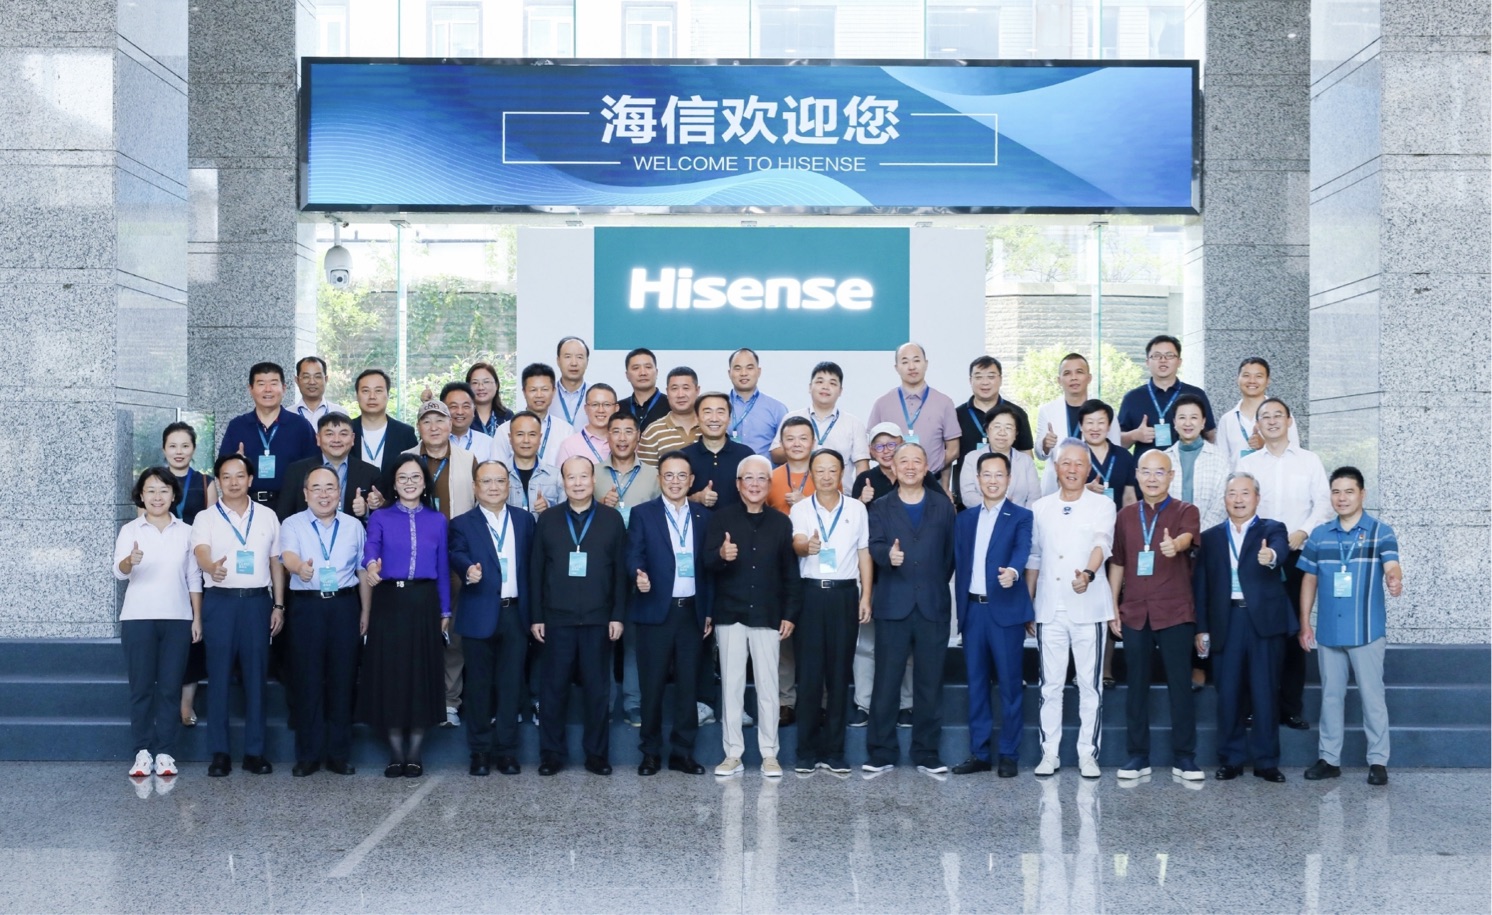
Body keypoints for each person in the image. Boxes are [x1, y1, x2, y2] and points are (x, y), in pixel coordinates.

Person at [1298, 466, 1403, 786]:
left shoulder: (1380, 531)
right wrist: (1305, 623)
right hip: (1329, 631)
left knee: (1372, 697)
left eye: (1349, 491)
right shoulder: (1319, 535)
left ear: (1362, 494)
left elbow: (1392, 564)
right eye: (1336, 492)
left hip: (1366, 630)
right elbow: (1309, 579)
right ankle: (1329, 759)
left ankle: (1378, 761)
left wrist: (1394, 578)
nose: (1342, 498)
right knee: (1331, 697)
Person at [1106, 450, 1205, 782]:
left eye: (1159, 472)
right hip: (1135, 611)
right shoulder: (1125, 516)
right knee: (1136, 686)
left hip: (1175, 610)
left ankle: (1185, 757)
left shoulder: (1186, 510)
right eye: (1146, 472)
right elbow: (1118, 563)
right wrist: (1112, 606)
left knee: (1180, 685)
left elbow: (1187, 537)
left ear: (1171, 476)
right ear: (1136, 474)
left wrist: (1175, 545)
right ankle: (1137, 756)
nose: (1152, 478)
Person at [703, 455, 802, 778]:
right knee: (731, 687)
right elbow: (706, 563)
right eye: (749, 478)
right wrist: (721, 555)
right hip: (729, 613)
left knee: (768, 687)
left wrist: (790, 613)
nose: (755, 484)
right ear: (738, 484)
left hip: (768, 614)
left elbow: (790, 573)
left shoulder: (781, 523)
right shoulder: (721, 518)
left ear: (769, 485)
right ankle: (733, 753)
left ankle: (770, 754)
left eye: (761, 478)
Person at [530, 456, 628, 776]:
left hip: (599, 619)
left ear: (593, 479)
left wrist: (617, 615)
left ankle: (597, 755)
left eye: (583, 476)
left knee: (598, 691)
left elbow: (620, 572)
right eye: (571, 477)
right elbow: (536, 571)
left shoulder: (612, 519)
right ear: (563, 482)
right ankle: (551, 755)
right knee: (553, 690)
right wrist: (537, 616)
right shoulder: (548, 519)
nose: (577, 483)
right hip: (556, 619)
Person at [1237, 397, 1332, 731]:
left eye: (1278, 415)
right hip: (1258, 557)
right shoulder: (1249, 463)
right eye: (1266, 416)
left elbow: (1324, 503)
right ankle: (1253, 706)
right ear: (1258, 425)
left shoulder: (1309, 460)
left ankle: (1290, 707)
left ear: (1290, 421)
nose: (1273, 421)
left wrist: (1303, 530)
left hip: (1296, 554)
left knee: (1293, 630)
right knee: (1256, 631)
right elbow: (1239, 504)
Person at [1194, 471, 1295, 783]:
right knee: (1228, 693)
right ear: (1224, 499)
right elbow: (1201, 585)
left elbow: (1281, 549)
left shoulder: (1272, 529)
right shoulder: (1211, 537)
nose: (1238, 499)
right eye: (1232, 494)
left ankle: (1266, 761)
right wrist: (1202, 628)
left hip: (1263, 621)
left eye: (1245, 493)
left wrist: (1270, 555)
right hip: (1226, 620)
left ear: (1257, 498)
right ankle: (1231, 759)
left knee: (1265, 692)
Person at [863, 443, 957, 776]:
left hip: (933, 604)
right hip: (893, 604)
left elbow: (950, 556)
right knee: (886, 681)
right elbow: (873, 545)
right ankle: (881, 751)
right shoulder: (880, 506)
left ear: (927, 467)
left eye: (917, 461)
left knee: (930, 683)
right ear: (894, 466)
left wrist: (930, 581)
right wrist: (888, 557)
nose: (911, 466)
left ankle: (927, 752)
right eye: (904, 461)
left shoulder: (943, 506)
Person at [1025, 439, 1116, 779]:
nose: (1072, 469)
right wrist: (1028, 603)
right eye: (1066, 463)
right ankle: (1049, 753)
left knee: (1090, 685)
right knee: (1050, 686)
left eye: (1079, 463)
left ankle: (1088, 754)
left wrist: (1088, 574)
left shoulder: (1102, 505)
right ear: (1056, 467)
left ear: (1089, 468)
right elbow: (1035, 557)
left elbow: (1102, 543)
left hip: (1088, 608)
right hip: (1050, 608)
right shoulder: (1040, 507)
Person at [191, 451, 285, 777]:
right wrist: (210, 567)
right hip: (220, 602)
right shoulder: (206, 518)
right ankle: (220, 753)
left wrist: (278, 605)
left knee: (256, 677)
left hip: (257, 603)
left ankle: (255, 752)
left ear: (250, 479)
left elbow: (276, 562)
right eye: (226, 477)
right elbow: (201, 552)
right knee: (218, 677)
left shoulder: (268, 516)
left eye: (240, 476)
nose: (233, 482)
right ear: (218, 481)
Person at [358, 454, 451, 778]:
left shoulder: (438, 520)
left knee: (421, 675)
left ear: (424, 483)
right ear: (394, 485)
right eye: (403, 478)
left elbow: (442, 568)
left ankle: (415, 753)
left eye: (415, 477)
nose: (409, 483)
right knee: (392, 676)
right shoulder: (381, 517)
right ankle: (396, 753)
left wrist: (445, 609)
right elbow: (371, 548)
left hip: (424, 602)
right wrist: (371, 566)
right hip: (389, 601)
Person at [627, 450, 714, 776]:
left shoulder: (704, 515)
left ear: (691, 481)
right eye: (668, 475)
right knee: (652, 687)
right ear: (659, 479)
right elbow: (633, 553)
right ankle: (650, 753)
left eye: (681, 476)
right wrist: (638, 574)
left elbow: (708, 568)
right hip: (655, 611)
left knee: (688, 687)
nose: (675, 481)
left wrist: (708, 610)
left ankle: (682, 753)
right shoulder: (642, 513)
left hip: (691, 613)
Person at [277, 465, 367, 777]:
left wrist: (366, 612)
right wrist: (299, 568)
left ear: (339, 492)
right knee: (307, 680)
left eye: (330, 487)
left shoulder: (354, 526)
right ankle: (308, 755)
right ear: (305, 494)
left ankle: (339, 754)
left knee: (343, 679)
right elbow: (287, 555)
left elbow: (362, 570)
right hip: (307, 607)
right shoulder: (292, 523)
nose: (324, 494)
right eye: (316, 488)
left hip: (344, 606)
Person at [449, 460, 536, 777]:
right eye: (486, 481)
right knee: (479, 687)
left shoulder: (525, 520)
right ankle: (480, 752)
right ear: (475, 487)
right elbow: (456, 552)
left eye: (500, 481)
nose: (494, 487)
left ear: (508, 486)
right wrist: (467, 570)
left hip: (516, 614)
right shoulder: (462, 523)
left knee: (511, 686)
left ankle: (508, 752)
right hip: (479, 613)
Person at [951, 452, 1034, 778]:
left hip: (1005, 613)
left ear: (1009, 479)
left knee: (1011, 686)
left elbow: (1022, 549)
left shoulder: (1021, 516)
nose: (993, 480)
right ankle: (980, 753)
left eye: (999, 474)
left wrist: (1013, 571)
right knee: (976, 685)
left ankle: (1009, 754)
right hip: (973, 611)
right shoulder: (965, 519)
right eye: (987, 474)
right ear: (977, 479)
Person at [115, 468, 202, 780]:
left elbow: (194, 577)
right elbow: (119, 571)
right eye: (150, 490)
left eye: (164, 490)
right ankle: (142, 752)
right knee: (141, 689)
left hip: (178, 617)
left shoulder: (187, 531)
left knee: (169, 688)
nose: (157, 496)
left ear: (173, 495)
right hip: (138, 618)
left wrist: (197, 617)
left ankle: (165, 752)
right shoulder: (130, 530)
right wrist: (130, 561)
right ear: (141, 495)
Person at [789, 448, 872, 774]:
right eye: (820, 470)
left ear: (842, 474)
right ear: (811, 474)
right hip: (810, 595)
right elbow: (797, 542)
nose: (826, 476)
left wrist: (866, 596)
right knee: (809, 676)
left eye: (832, 470)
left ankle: (835, 752)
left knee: (839, 675)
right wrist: (805, 547)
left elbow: (864, 553)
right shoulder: (800, 508)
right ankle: (806, 751)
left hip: (845, 596)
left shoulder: (857, 509)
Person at [402, 399, 476, 727]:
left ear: (451, 425)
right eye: (427, 421)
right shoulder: (405, 458)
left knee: (453, 633)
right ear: (419, 427)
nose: (434, 427)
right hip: (413, 560)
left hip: (454, 557)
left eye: (440, 420)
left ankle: (449, 701)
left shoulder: (468, 459)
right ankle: (415, 698)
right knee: (414, 633)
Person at [160, 422, 215, 727]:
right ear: (164, 449)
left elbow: (214, 527)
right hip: (165, 570)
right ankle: (167, 700)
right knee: (168, 636)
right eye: (173, 446)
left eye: (185, 445)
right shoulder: (155, 482)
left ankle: (186, 705)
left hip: (196, 568)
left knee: (194, 636)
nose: (179, 452)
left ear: (194, 449)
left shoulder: (206, 483)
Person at [217, 361, 319, 506]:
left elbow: (315, 468)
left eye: (273, 383)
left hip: (291, 506)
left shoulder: (300, 426)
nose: (268, 389)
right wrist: (235, 463)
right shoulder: (237, 426)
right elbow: (221, 469)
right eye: (261, 384)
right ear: (250, 389)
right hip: (247, 505)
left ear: (284, 388)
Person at [866, 342, 961, 482]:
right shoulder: (882, 404)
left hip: (932, 481)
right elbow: (871, 448)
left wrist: (928, 470)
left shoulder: (944, 403)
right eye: (905, 362)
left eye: (916, 360)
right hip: (892, 483)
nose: (911, 367)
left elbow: (953, 450)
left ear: (926, 364)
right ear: (896, 368)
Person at [771, 361, 870, 491]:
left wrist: (860, 495)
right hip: (797, 494)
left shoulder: (854, 423)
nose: (825, 387)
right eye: (820, 381)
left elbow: (862, 464)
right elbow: (775, 454)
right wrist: (802, 451)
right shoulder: (791, 418)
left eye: (832, 383)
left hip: (841, 495)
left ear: (840, 391)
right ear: (810, 387)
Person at [1117, 335, 1217, 459]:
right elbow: (1117, 442)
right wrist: (1134, 435)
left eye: (1169, 355)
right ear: (1147, 362)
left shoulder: (1196, 394)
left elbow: (1210, 436)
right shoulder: (1132, 398)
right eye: (1156, 356)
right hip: (1147, 470)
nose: (1163, 360)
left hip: (1188, 466)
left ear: (1179, 362)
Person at [953, 356, 1035, 506]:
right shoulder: (957, 415)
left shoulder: (1017, 414)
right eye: (979, 377)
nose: (985, 382)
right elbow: (951, 453)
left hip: (1012, 499)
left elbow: (1026, 454)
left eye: (991, 376)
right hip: (970, 499)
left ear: (1001, 379)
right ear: (970, 380)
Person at [277, 412, 383, 522]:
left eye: (343, 434)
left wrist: (366, 510)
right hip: (305, 532)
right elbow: (284, 514)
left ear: (352, 439)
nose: (336, 440)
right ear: (318, 439)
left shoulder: (371, 473)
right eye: (329, 434)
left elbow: (382, 516)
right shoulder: (296, 471)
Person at [1034, 352, 1122, 463]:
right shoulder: (1047, 411)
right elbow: (1040, 454)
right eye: (1067, 373)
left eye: (1079, 372)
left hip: (1095, 472)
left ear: (1089, 378)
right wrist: (1045, 445)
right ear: (1059, 380)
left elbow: (1116, 448)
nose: (1074, 378)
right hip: (1057, 473)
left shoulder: (1104, 411)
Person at [1217, 356, 1299, 468]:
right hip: (1238, 478)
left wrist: (1265, 445)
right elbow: (1221, 461)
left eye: (1258, 376)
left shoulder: (1282, 415)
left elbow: (1295, 453)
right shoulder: (1227, 419)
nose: (1252, 381)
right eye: (1246, 375)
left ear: (1268, 381)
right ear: (1238, 379)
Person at [682, 392, 756, 513]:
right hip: (696, 524)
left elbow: (758, 496)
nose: (714, 418)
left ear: (729, 419)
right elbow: (671, 500)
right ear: (696, 418)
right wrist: (696, 498)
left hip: (737, 524)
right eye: (707, 412)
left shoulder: (746, 455)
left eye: (720, 412)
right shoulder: (683, 457)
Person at [1162, 394, 1228, 531]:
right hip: (1170, 535)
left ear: (1203, 422)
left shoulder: (1219, 458)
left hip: (1209, 534)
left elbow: (1221, 503)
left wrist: (1197, 534)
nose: (1188, 423)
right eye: (1182, 417)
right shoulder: (1164, 458)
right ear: (1174, 423)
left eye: (1193, 417)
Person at [957, 405, 1041, 510]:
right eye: (997, 426)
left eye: (1008, 428)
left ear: (1016, 433)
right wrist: (999, 508)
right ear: (987, 430)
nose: (1002, 432)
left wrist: (1020, 516)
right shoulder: (972, 458)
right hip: (981, 516)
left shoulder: (1025, 461)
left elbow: (1034, 498)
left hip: (1019, 518)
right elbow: (968, 496)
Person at [350, 368, 418, 480]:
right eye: (366, 391)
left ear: (388, 395)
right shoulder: (346, 431)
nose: (372, 396)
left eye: (378, 391)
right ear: (357, 396)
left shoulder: (405, 433)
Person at [853, 422, 948, 503]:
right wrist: (861, 500)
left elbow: (946, 506)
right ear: (872, 451)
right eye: (879, 447)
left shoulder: (919, 474)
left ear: (903, 444)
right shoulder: (864, 478)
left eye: (891, 445)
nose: (886, 451)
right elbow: (851, 515)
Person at [1070, 399, 1137, 512]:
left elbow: (1129, 497)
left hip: (1117, 521)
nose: (1095, 428)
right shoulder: (1072, 457)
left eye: (1101, 422)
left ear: (1109, 426)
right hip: (1081, 519)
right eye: (1090, 422)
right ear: (1081, 426)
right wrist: (1085, 490)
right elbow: (1064, 492)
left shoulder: (1124, 456)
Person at [494, 363, 564, 469]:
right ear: (524, 392)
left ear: (553, 391)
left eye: (544, 389)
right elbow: (497, 470)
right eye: (533, 390)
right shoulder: (504, 430)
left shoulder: (565, 430)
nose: (539, 395)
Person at [595, 412, 660, 522]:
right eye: (616, 432)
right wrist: (601, 505)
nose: (622, 438)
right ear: (608, 435)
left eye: (628, 432)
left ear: (638, 435)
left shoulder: (654, 475)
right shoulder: (592, 473)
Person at [726, 347, 788, 459]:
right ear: (729, 373)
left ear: (758, 372)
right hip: (728, 470)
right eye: (737, 368)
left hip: (766, 470)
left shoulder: (777, 409)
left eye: (749, 368)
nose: (743, 373)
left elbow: (786, 449)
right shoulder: (720, 408)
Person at [637, 367, 702, 466]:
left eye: (686, 388)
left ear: (697, 390)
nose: (680, 395)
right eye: (674, 389)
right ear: (667, 392)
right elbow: (646, 474)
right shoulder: (653, 432)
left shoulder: (709, 427)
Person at [506, 410, 562, 515]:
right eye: (520, 434)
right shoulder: (499, 476)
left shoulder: (557, 476)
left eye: (532, 434)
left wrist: (549, 507)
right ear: (510, 438)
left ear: (540, 438)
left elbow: (568, 512)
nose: (526, 440)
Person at [555, 383, 618, 467]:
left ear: (616, 408)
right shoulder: (569, 445)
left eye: (607, 405)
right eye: (594, 405)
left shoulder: (625, 441)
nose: (601, 410)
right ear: (585, 409)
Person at [767, 416, 817, 514]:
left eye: (803, 438)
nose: (797, 444)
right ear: (781, 444)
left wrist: (806, 504)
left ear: (813, 443)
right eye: (790, 439)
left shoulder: (826, 477)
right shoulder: (770, 479)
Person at [619, 347, 670, 433]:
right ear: (627, 375)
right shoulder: (618, 408)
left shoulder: (671, 405)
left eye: (648, 367)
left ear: (656, 372)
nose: (643, 373)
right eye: (636, 368)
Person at [444, 381, 496, 463]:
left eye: (466, 406)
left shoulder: (488, 443)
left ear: (474, 410)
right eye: (453, 406)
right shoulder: (434, 441)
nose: (460, 412)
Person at [553, 336, 593, 433]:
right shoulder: (547, 394)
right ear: (558, 361)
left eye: (579, 357)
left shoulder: (596, 394)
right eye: (568, 357)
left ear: (587, 362)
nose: (574, 363)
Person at [292, 356, 345, 428]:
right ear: (297, 380)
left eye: (317, 377)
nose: (312, 382)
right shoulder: (287, 415)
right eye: (306, 377)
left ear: (326, 379)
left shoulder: (340, 413)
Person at [466, 361, 513, 437]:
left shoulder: (507, 416)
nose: (481, 387)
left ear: (496, 385)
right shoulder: (463, 416)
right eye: (475, 383)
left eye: (486, 382)